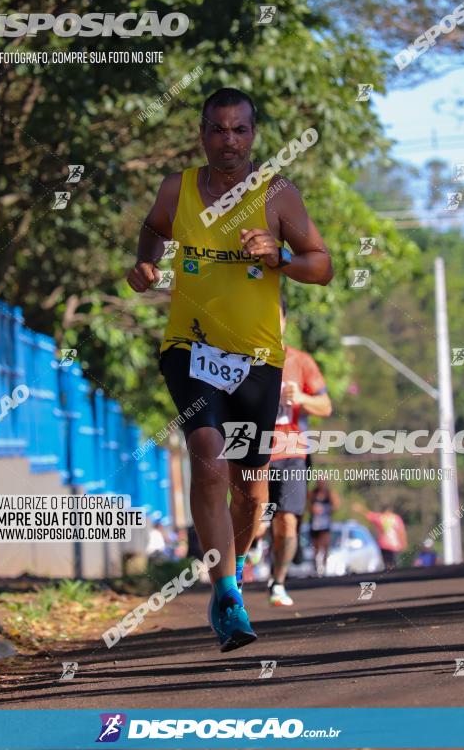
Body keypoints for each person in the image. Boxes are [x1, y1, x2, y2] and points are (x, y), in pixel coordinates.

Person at [127, 87, 333, 652]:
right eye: (218, 130)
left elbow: (323, 265)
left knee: (249, 490)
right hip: (190, 350)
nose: (229, 141)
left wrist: (281, 257)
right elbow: (152, 229)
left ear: (253, 134)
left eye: (239, 130)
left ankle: (235, 565)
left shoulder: (279, 194)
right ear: (202, 134)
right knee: (209, 463)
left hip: (257, 360)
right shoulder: (179, 188)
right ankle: (225, 596)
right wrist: (145, 262)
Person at [267, 298, 332, 605]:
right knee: (250, 520)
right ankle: (234, 579)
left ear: (284, 320)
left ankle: (278, 582)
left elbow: (326, 405)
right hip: (250, 448)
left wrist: (302, 398)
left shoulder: (301, 362)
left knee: (286, 520)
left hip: (291, 450)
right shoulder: (239, 360)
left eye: (274, 314)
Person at [353, 503, 408, 570]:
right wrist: (404, 543)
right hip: (394, 546)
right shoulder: (396, 519)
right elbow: (401, 532)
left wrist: (360, 509)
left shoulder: (380, 518)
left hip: (383, 545)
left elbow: (369, 515)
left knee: (387, 563)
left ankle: (388, 575)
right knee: (394, 563)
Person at [308, 480, 339, 578]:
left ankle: (324, 567)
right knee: (315, 546)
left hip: (325, 525)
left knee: (325, 546)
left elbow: (336, 505)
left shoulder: (329, 493)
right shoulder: (312, 493)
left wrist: (326, 509)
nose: (321, 484)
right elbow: (306, 505)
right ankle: (316, 567)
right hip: (315, 525)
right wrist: (312, 509)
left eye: (322, 482)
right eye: (319, 482)